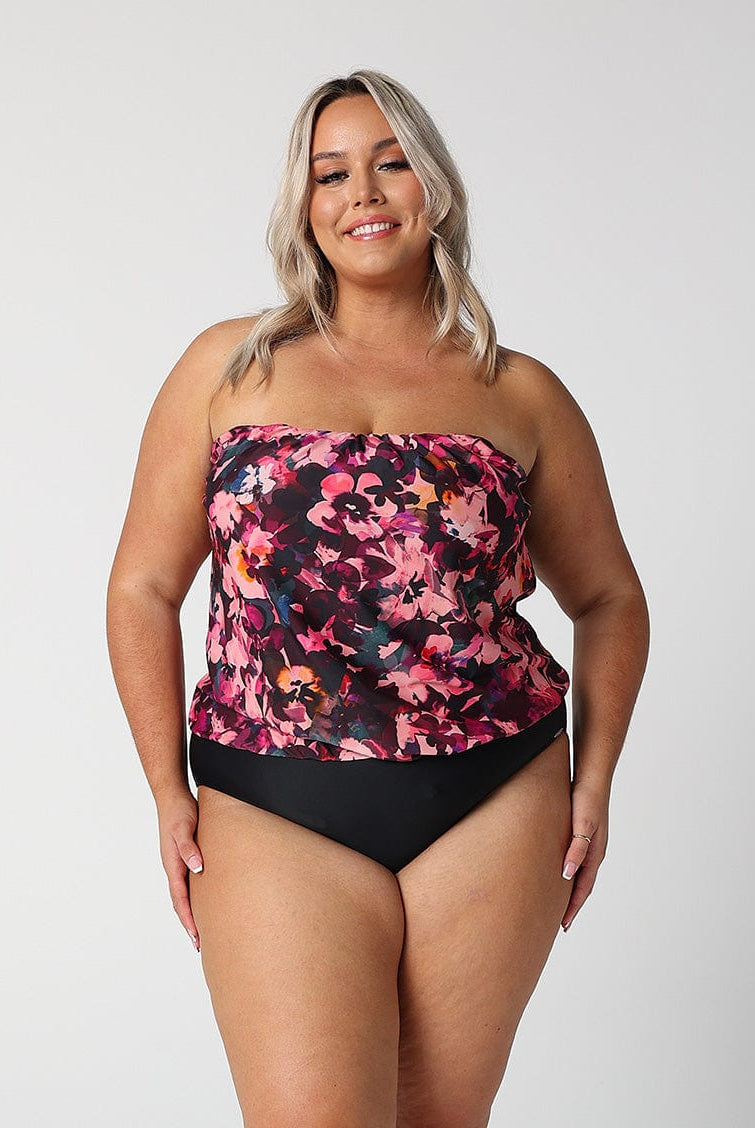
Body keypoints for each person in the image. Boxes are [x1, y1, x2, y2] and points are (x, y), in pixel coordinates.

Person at [106, 68, 650, 1128]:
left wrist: (594, 779)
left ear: (432, 187)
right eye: (331, 173)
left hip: (493, 795)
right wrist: (166, 789)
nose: (362, 191)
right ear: (303, 206)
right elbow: (142, 584)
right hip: (271, 797)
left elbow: (609, 598)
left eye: (391, 162)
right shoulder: (226, 369)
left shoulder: (520, 393)